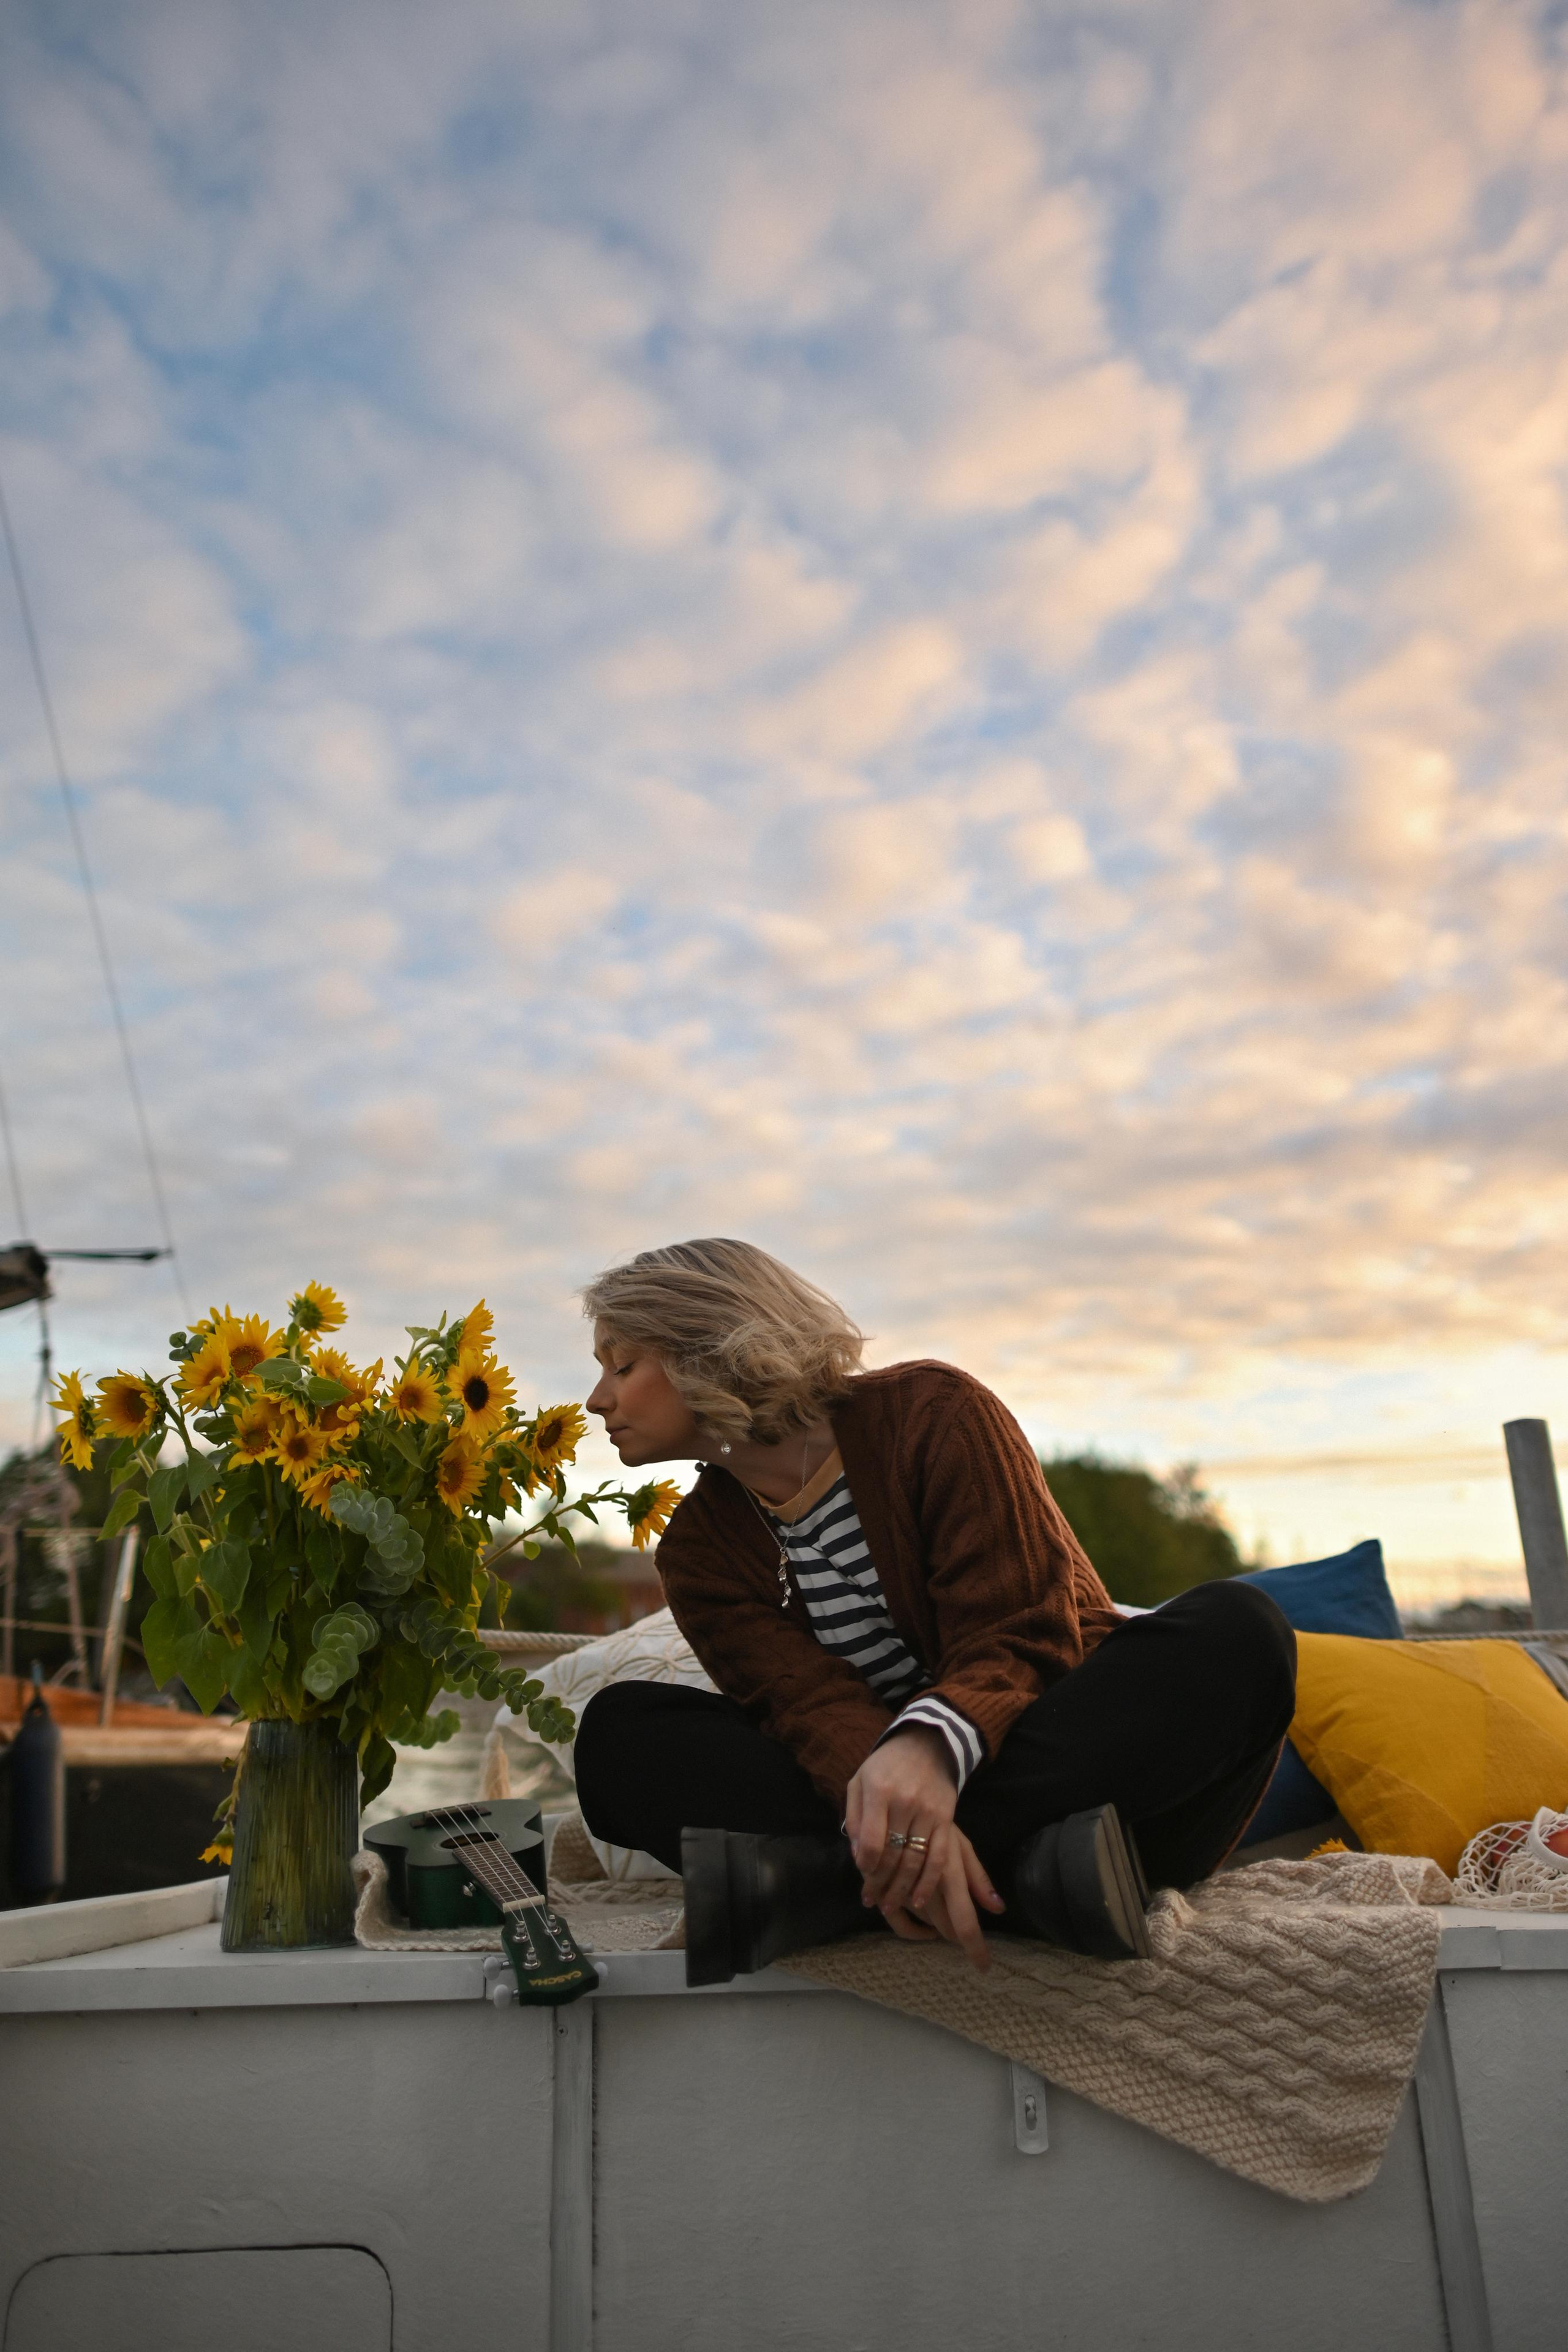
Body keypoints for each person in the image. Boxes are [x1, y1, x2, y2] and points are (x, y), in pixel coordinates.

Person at [575, 1238, 1295, 1986]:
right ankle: (1026, 1887)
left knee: (1242, 1633)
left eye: (621, 1366)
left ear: (709, 1348)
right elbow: (804, 1708)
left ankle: (821, 1888)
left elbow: (1021, 1635)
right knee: (619, 1736)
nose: (598, 1400)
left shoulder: (931, 1413)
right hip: (901, 1803)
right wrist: (896, 1793)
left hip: (1073, 1776)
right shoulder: (698, 1550)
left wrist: (929, 1748)